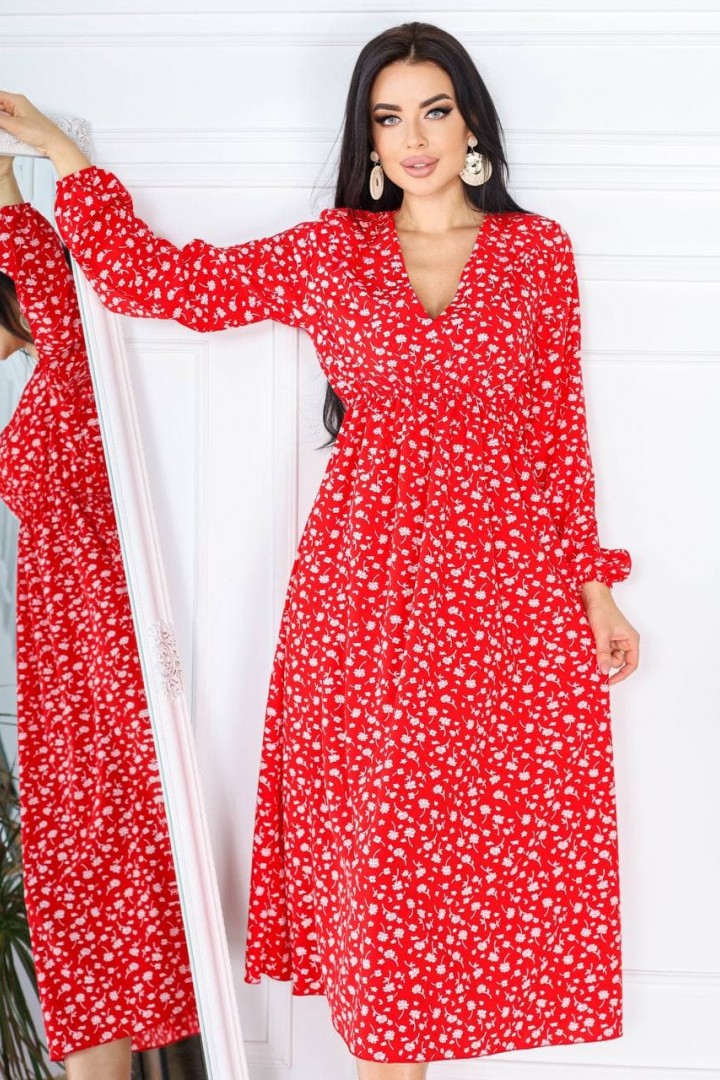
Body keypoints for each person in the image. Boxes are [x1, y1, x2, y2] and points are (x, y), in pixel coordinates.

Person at [0, 18, 640, 1080]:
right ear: (368, 139)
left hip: (502, 603)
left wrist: (595, 591)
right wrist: (68, 163)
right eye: (389, 119)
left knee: (477, 863)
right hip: (365, 598)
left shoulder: (538, 254)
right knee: (380, 874)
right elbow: (169, 284)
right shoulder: (333, 252)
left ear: (471, 123)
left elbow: (554, 432)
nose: (414, 138)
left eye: (434, 111)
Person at [0, 155, 200, 1080]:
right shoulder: (49, 376)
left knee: (113, 865)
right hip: (57, 658)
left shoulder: (78, 361)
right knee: (77, 877)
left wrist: (12, 168)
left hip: (103, 646)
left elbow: (42, 266)